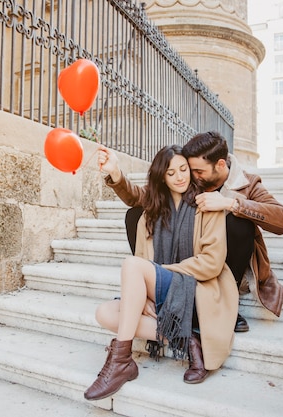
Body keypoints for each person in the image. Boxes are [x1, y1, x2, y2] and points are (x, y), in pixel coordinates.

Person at [83, 145, 238, 401]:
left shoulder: (207, 204)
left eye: (183, 169)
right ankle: (187, 339)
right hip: (165, 294)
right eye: (171, 173)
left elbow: (211, 263)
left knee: (132, 266)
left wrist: (157, 273)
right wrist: (146, 292)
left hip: (198, 292)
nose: (179, 177)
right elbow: (143, 266)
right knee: (105, 313)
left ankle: (121, 360)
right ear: (161, 178)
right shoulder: (151, 214)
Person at [123, 132, 283, 332]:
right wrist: (116, 176)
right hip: (188, 256)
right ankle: (152, 283)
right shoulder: (192, 178)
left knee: (238, 223)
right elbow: (143, 196)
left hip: (220, 266)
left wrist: (230, 204)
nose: (192, 176)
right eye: (190, 169)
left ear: (220, 165)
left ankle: (226, 301)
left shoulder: (247, 183)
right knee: (136, 214)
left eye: (198, 171)